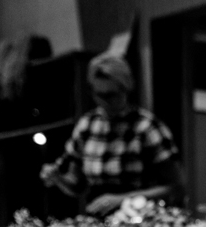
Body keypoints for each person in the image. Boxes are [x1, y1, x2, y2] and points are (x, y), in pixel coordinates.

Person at [41, 52, 183, 216]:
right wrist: (58, 178)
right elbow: (77, 186)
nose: (104, 102)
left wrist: (123, 199)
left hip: (140, 219)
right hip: (98, 221)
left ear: (125, 89)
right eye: (98, 95)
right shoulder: (87, 125)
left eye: (111, 95)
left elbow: (177, 187)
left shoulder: (146, 127)